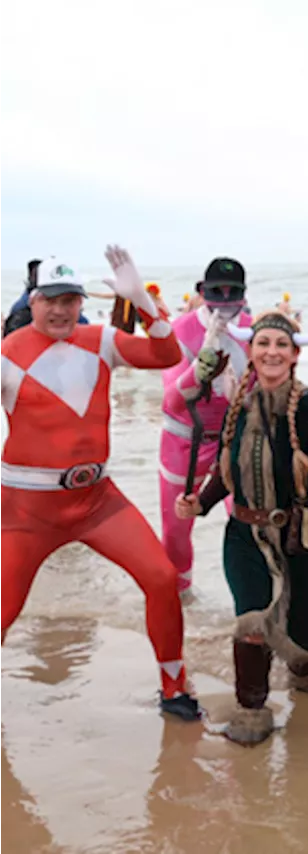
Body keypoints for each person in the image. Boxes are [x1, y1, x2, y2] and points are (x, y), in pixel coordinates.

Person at [0, 248, 199, 720]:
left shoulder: (102, 339)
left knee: (162, 578)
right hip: (27, 512)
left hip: (96, 502)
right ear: (32, 300)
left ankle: (174, 688)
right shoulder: (8, 355)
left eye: (70, 299)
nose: (60, 310)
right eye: (50, 299)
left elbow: (167, 355)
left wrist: (142, 302)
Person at [175, 310, 308, 745]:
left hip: (299, 535)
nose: (271, 352)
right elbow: (227, 471)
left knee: (305, 636)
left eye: (281, 345)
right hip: (243, 536)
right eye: (263, 344)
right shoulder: (240, 404)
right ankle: (252, 710)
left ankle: (305, 669)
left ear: (295, 354)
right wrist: (200, 501)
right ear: (251, 352)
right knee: (252, 621)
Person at [158, 258, 254, 597]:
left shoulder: (253, 330)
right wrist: (203, 363)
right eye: (216, 292)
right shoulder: (180, 330)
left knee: (247, 520)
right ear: (201, 292)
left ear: (244, 296)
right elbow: (171, 400)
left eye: (233, 293)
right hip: (185, 441)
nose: (225, 301)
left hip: (234, 440)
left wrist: (244, 400)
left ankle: (250, 602)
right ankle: (180, 603)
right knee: (175, 531)